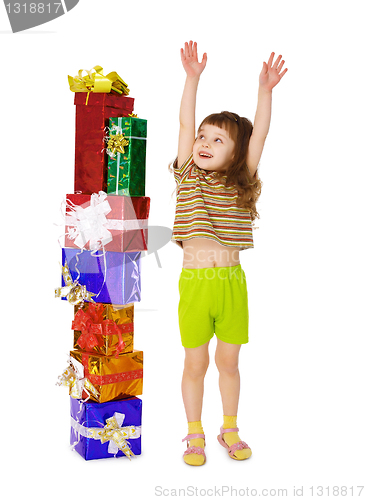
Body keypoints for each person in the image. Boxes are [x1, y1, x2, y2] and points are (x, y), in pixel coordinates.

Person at [171, 41, 287, 466]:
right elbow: (184, 124)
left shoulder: (241, 181)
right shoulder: (188, 174)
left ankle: (230, 427)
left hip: (232, 284)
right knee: (195, 363)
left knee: (229, 362)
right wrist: (192, 78)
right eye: (204, 135)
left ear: (236, 153)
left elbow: (261, 132)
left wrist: (265, 91)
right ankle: (194, 433)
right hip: (196, 284)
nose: (203, 142)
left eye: (217, 139)